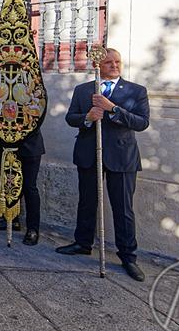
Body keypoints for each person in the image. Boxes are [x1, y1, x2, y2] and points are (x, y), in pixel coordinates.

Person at [57, 48, 150, 281]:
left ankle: (128, 256)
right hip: (90, 154)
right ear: (97, 65)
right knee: (87, 202)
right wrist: (87, 118)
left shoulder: (135, 91)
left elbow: (142, 123)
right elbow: (71, 118)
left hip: (122, 157)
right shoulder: (83, 90)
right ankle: (83, 242)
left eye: (117, 62)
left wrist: (113, 109)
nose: (114, 65)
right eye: (109, 62)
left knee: (123, 208)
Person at [0, 130, 44, 245]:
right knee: (8, 185)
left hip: (29, 146)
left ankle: (33, 229)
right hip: (5, 146)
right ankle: (11, 219)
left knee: (29, 187)